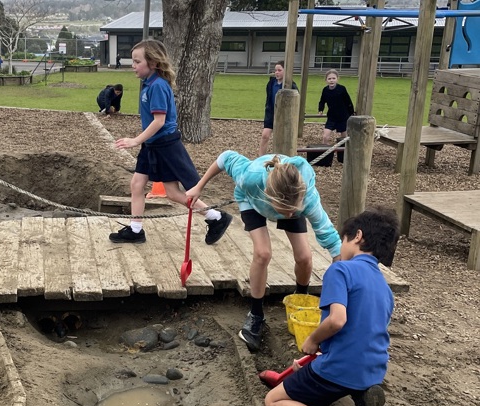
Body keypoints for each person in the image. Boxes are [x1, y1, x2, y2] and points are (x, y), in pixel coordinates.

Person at [264, 207, 399, 406]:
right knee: (344, 372)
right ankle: (363, 396)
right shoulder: (385, 288)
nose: (341, 246)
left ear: (357, 236)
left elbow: (337, 320)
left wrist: (313, 340)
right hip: (374, 368)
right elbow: (358, 334)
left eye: (342, 239)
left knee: (273, 401)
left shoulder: (340, 270)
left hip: (339, 368)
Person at [185, 152, 342, 351]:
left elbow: (332, 241)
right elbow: (225, 157)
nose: (289, 215)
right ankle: (255, 315)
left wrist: (341, 283)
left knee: (304, 257)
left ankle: (298, 301)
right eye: (286, 211)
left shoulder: (305, 197)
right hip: (252, 201)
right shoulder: (250, 177)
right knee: (263, 253)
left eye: (293, 211)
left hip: (290, 200)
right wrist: (199, 187)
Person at [111, 39, 232, 245]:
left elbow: (159, 121)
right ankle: (136, 229)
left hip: (166, 146)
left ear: (154, 63)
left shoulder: (158, 86)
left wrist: (135, 140)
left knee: (175, 193)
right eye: (133, 61)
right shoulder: (149, 84)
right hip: (152, 146)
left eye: (137, 61)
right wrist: (142, 142)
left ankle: (215, 217)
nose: (133, 66)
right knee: (138, 184)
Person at [260, 60, 298, 157]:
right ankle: (260, 157)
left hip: (283, 115)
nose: (276, 72)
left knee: (281, 138)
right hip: (271, 112)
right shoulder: (271, 83)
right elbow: (269, 97)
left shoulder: (291, 85)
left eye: (279, 70)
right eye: (275, 70)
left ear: (286, 71)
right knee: (265, 135)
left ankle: (281, 157)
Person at [319, 69, 355, 145]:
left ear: (337, 79)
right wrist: (320, 110)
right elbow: (322, 101)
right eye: (329, 79)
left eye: (333, 78)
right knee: (325, 136)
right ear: (326, 80)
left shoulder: (341, 89)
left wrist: (351, 112)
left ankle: (342, 153)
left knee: (343, 137)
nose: (331, 80)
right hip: (332, 117)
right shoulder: (325, 90)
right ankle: (325, 152)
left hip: (343, 116)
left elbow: (348, 101)